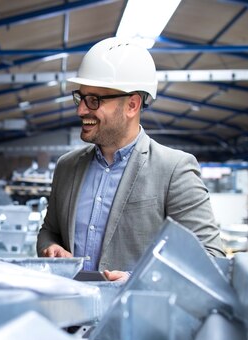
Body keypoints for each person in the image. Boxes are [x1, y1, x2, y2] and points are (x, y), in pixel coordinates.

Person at [37, 37, 225, 281]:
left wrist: (137, 281)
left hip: (138, 316)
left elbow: (209, 259)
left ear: (132, 105)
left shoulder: (173, 170)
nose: (81, 110)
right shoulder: (67, 167)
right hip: (71, 313)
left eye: (94, 100)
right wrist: (50, 247)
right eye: (80, 98)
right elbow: (49, 231)